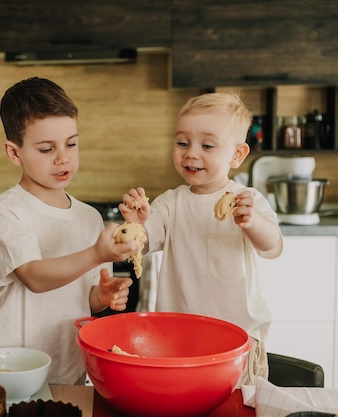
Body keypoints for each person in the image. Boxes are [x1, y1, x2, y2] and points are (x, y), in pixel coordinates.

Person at [0, 77, 140, 385]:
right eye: (46, 148)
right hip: (0, 375)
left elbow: (84, 300)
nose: (63, 157)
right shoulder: (7, 210)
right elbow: (35, 278)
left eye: (71, 143)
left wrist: (102, 297)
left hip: (65, 377)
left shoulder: (90, 218)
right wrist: (96, 254)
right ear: (15, 153)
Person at [119, 92, 283, 386]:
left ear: (237, 155)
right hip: (178, 339)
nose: (191, 153)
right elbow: (145, 241)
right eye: (182, 143)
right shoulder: (170, 202)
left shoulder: (246, 201)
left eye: (206, 145)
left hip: (237, 338)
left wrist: (252, 223)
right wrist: (139, 222)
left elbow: (272, 247)